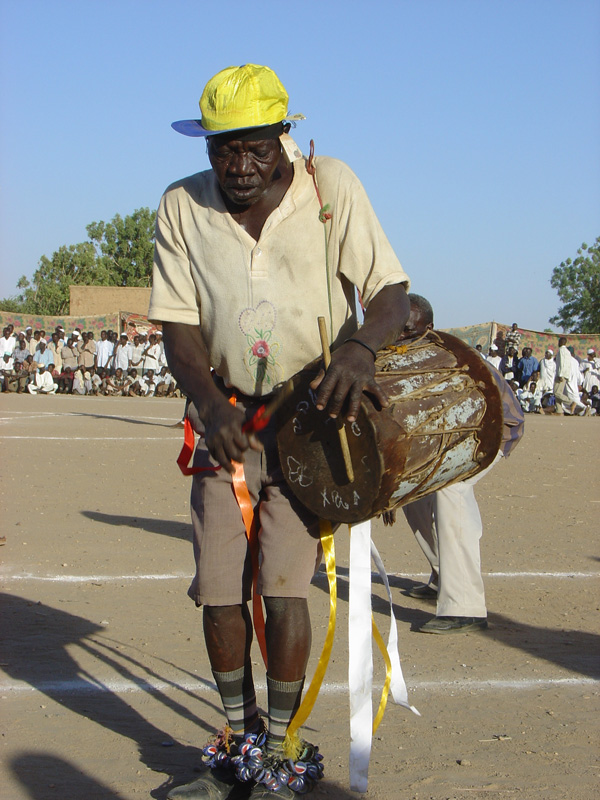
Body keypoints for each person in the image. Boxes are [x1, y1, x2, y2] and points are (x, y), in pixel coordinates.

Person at [148, 63, 410, 800]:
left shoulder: (331, 188)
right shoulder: (181, 206)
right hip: (223, 423)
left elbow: (392, 293)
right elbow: (177, 327)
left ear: (283, 137)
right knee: (220, 592)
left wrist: (359, 349)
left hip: (309, 423)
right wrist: (208, 403)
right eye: (222, 148)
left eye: (253, 147)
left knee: (287, 586)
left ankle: (283, 750)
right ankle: (239, 734)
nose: (237, 165)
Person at [384, 293, 524, 634]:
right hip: (443, 443)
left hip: (493, 431)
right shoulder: (392, 353)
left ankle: (465, 607)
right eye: (395, 329)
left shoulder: (454, 356)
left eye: (407, 330)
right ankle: (443, 573)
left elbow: (489, 411)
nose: (399, 336)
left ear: (427, 328)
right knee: (410, 493)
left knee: (451, 490)